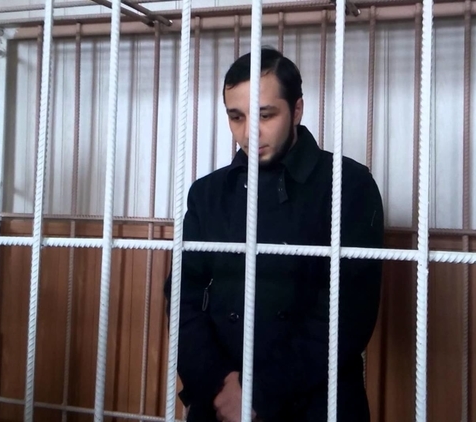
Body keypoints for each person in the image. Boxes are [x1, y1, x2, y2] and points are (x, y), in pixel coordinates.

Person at [163, 47, 384, 422]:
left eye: (266, 115)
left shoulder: (348, 185)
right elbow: (182, 296)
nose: (249, 132)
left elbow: (347, 314)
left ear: (297, 110)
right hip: (220, 403)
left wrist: (257, 394)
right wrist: (218, 385)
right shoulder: (208, 193)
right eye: (236, 117)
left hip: (316, 404)